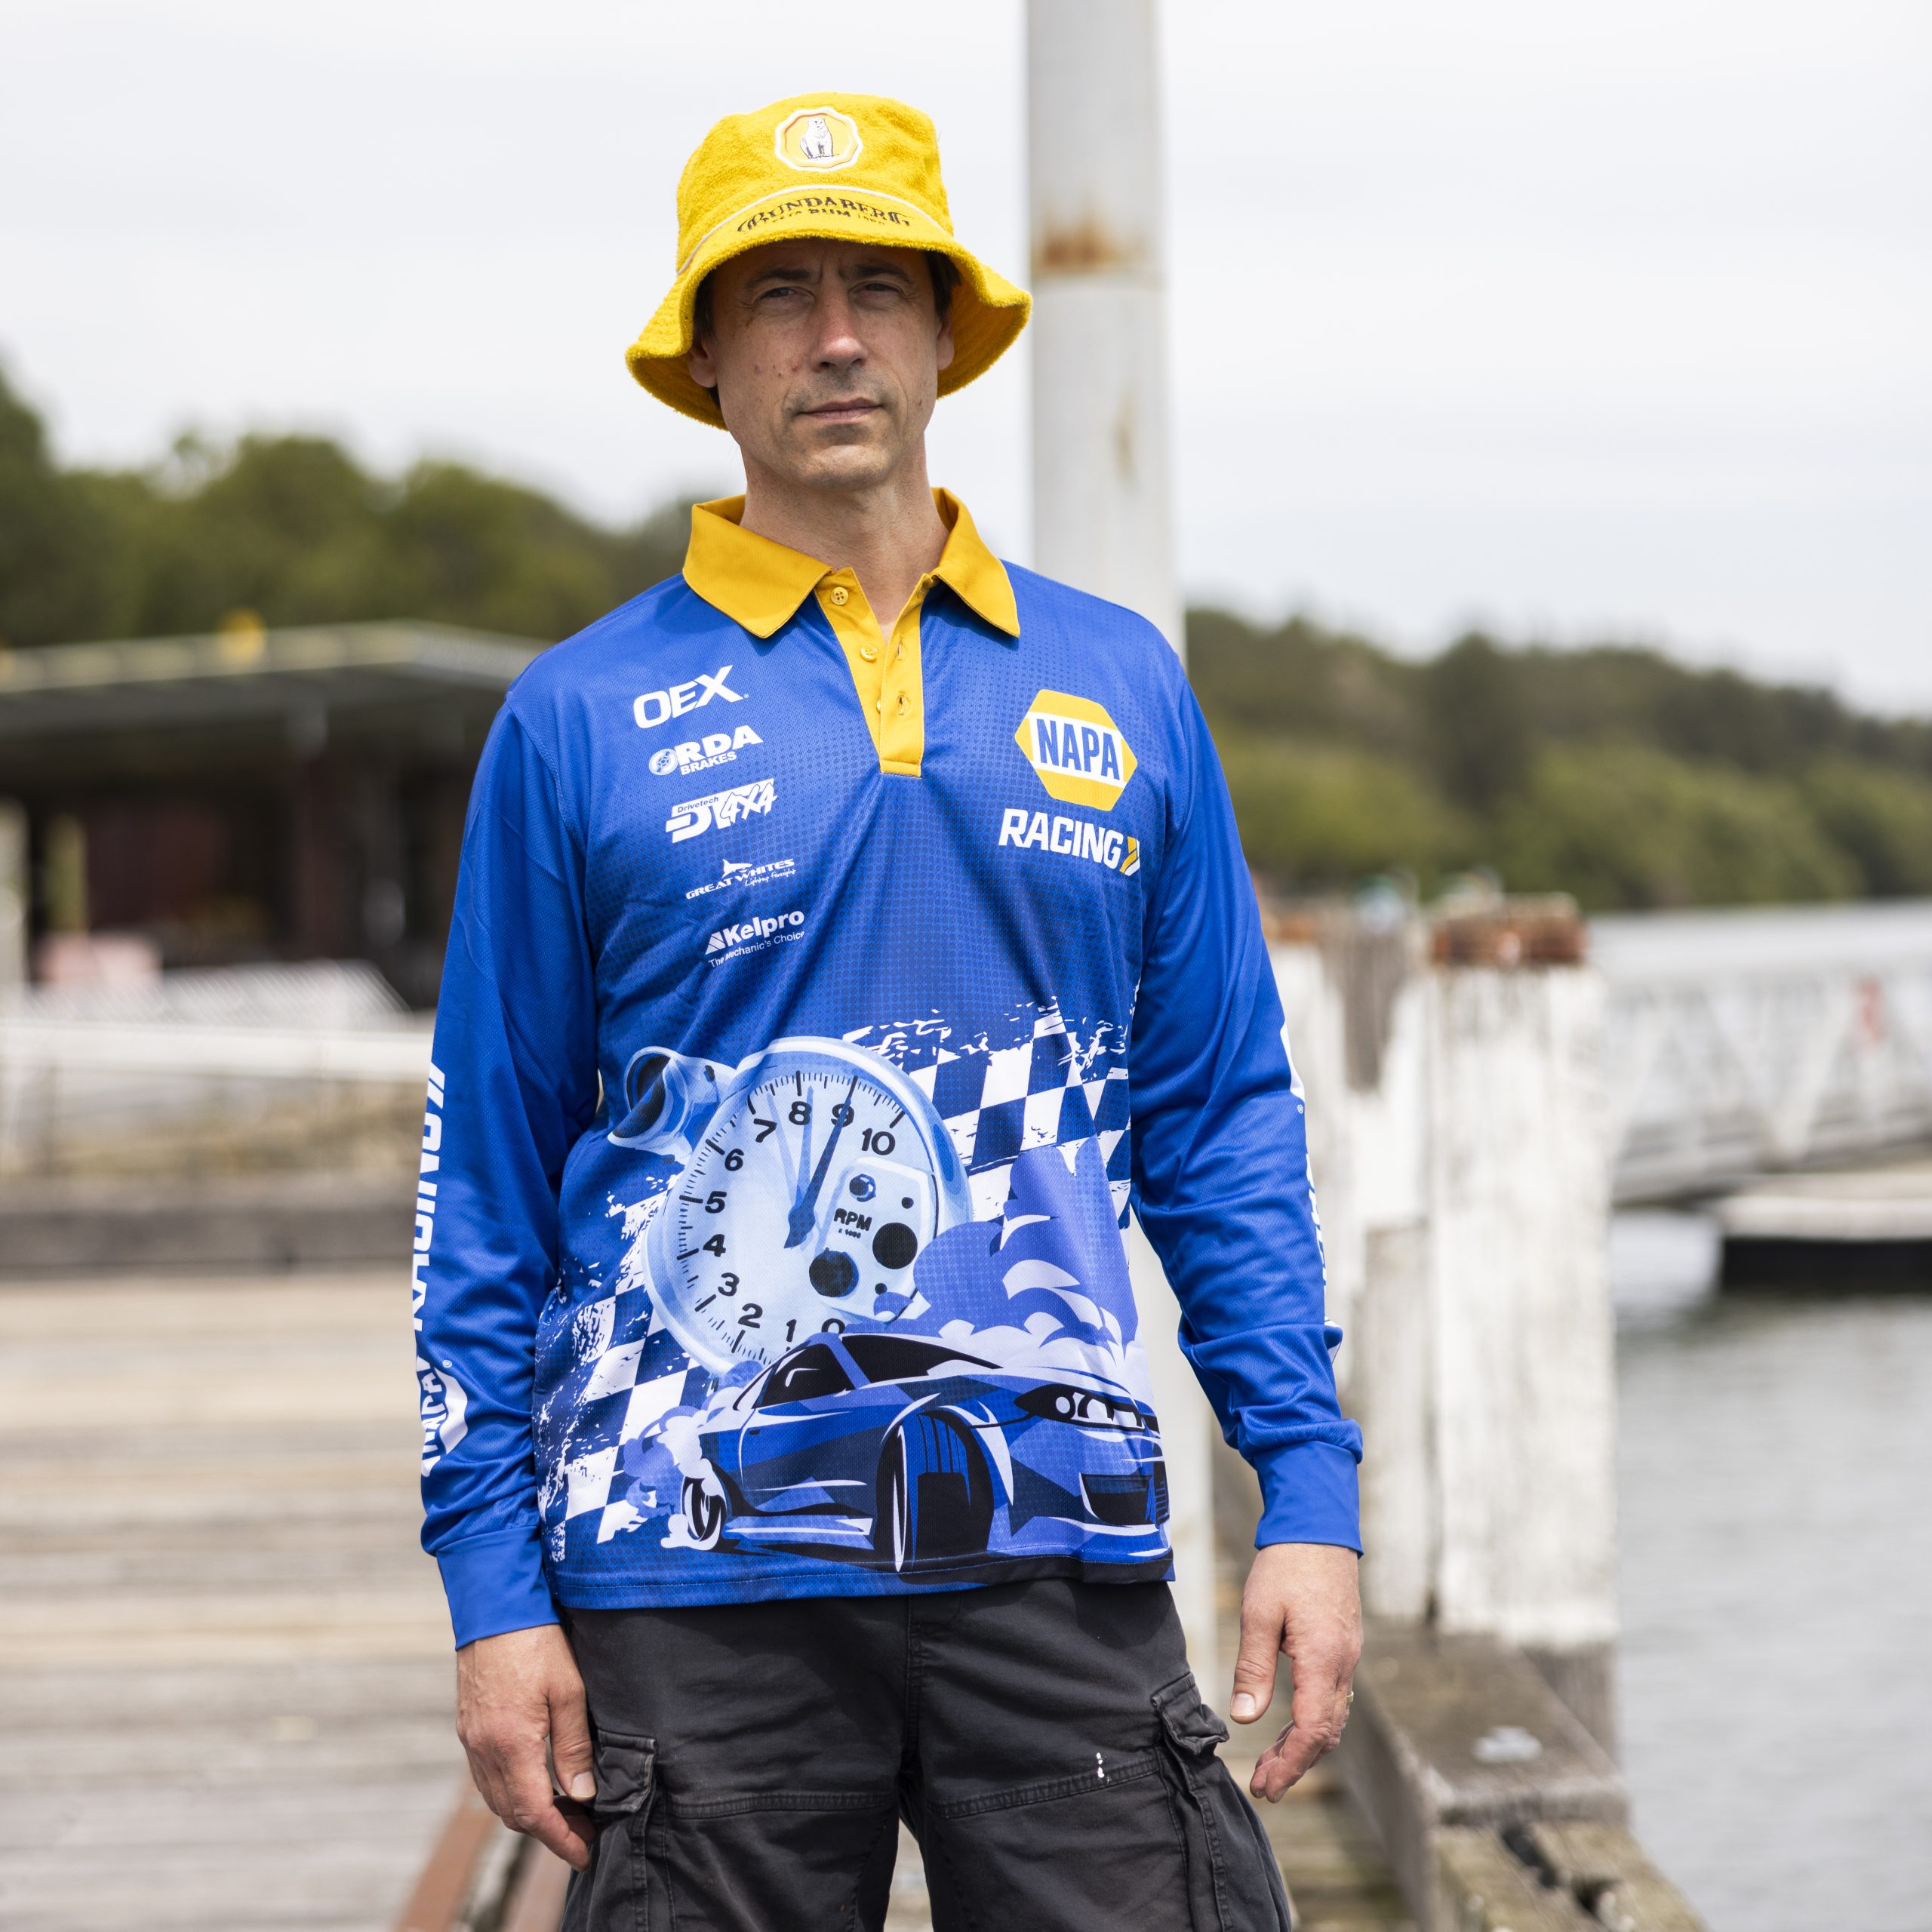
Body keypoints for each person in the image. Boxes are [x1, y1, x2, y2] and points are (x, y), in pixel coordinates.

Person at [417, 91, 1363, 1930]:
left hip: (1058, 1545)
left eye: (877, 288)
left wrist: (1304, 1491)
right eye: (777, 293)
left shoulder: (1120, 682)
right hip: (684, 1568)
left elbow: (1218, 1120)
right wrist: (490, 1588)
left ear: (946, 334)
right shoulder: (574, 717)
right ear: (707, 354)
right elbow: (486, 1184)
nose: (835, 336)